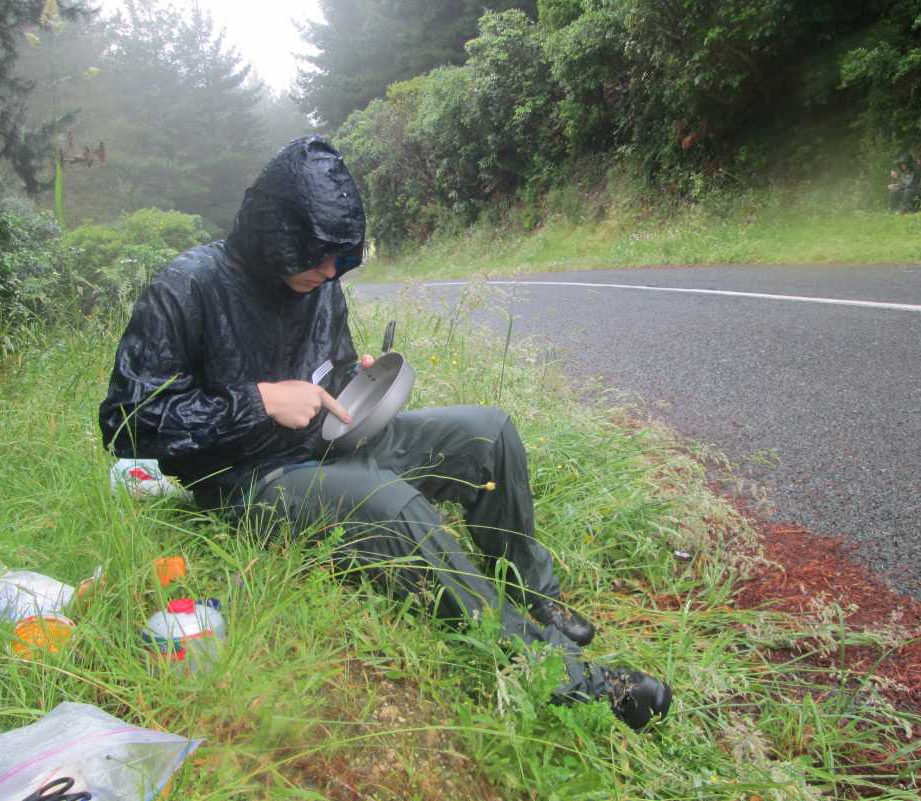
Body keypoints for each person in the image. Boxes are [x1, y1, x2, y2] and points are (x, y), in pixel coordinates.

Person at [99, 136, 671, 730]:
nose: (328, 272)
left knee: (487, 433)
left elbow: (334, 365)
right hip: (249, 480)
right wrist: (258, 401)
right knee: (393, 506)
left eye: (339, 261)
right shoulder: (185, 288)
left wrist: (359, 380)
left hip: (335, 439)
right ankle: (561, 674)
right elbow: (127, 423)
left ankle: (532, 591)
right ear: (277, 235)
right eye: (318, 256)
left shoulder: (320, 283)